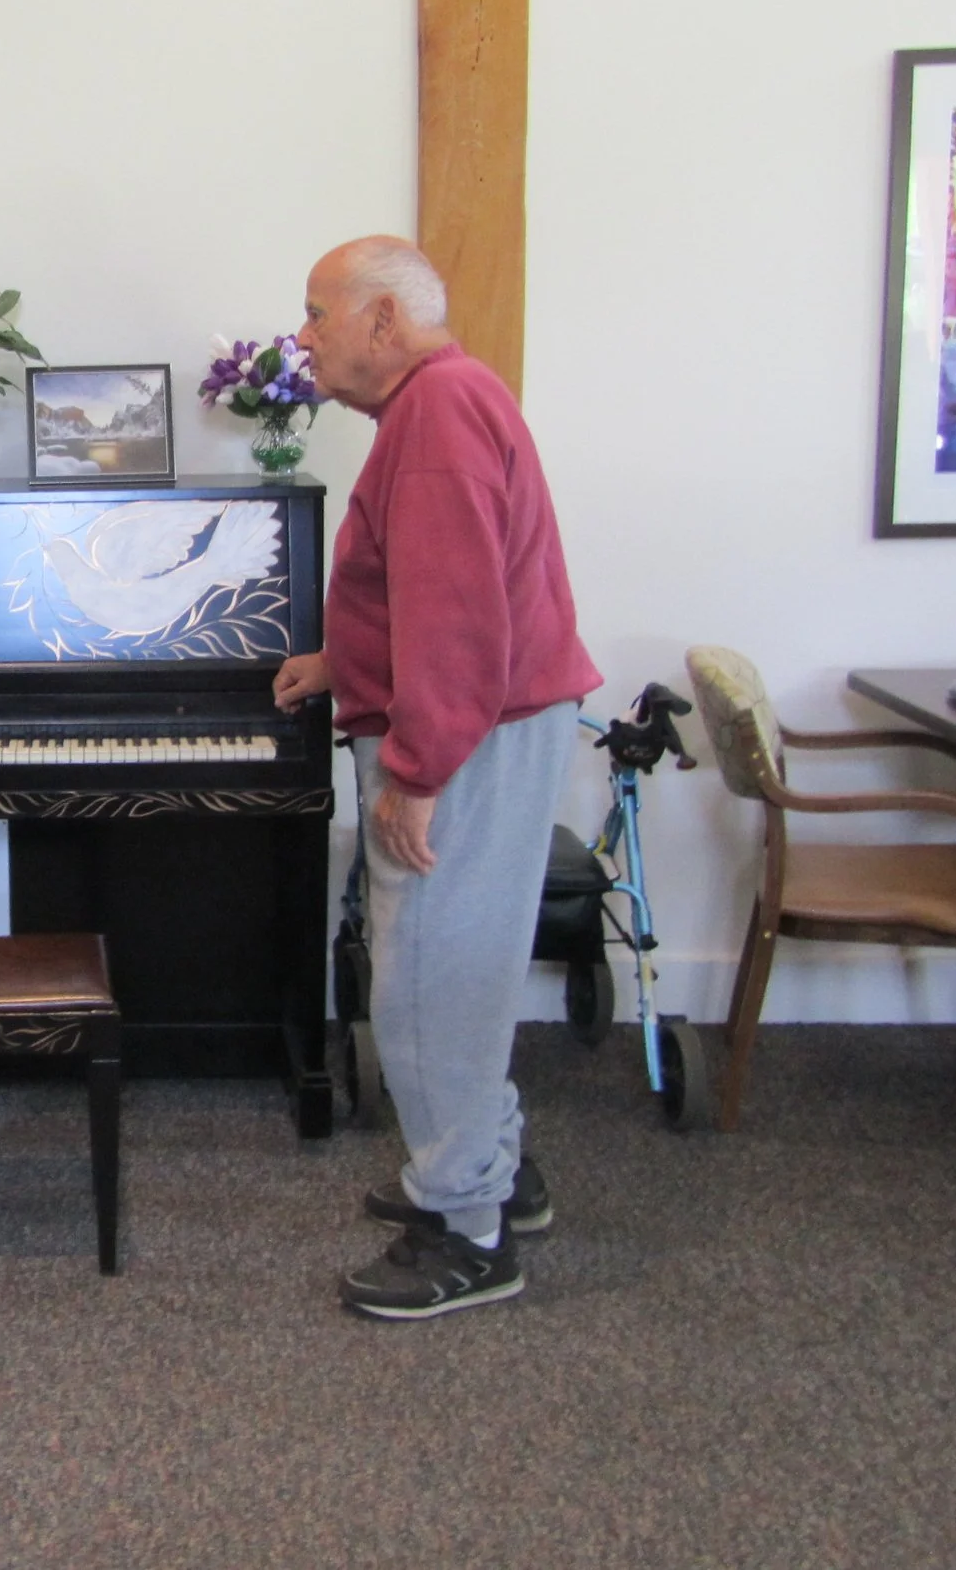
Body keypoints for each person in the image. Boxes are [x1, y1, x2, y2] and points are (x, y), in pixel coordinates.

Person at [274, 237, 601, 1320]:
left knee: (427, 978)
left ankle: (465, 1229)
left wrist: (413, 772)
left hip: (464, 737)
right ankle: (494, 1170)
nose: (303, 337)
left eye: (318, 313)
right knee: (457, 967)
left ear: (383, 320)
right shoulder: (442, 404)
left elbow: (459, 617)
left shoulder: (437, 414)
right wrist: (344, 663)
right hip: (486, 725)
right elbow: (427, 589)